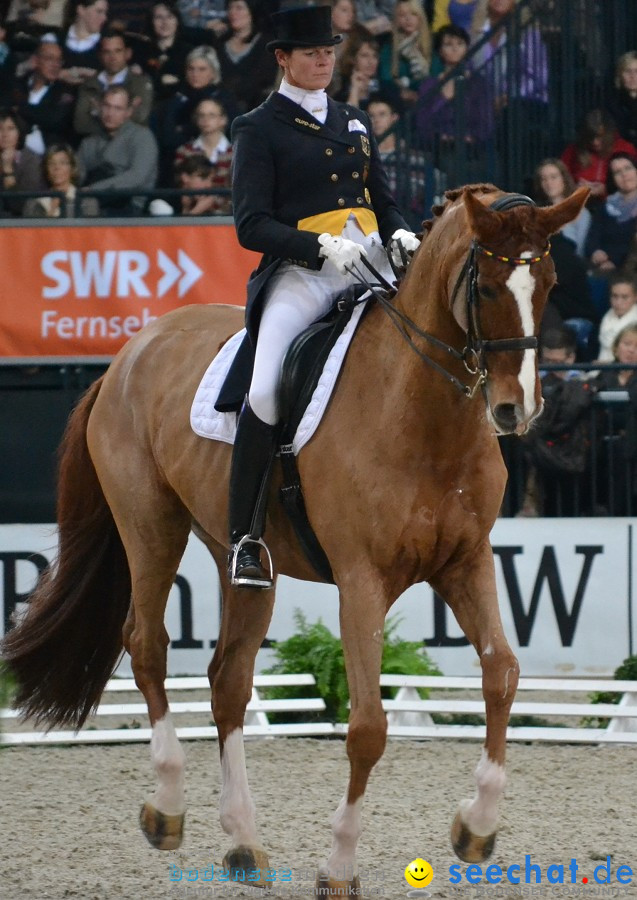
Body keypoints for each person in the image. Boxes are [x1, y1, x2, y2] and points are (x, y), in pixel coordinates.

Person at [216, 5, 419, 587]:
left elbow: (382, 197)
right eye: (311, 53)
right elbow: (250, 225)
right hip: (305, 274)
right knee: (265, 386)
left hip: (373, 264)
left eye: (329, 51)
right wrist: (319, 248)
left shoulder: (354, 119)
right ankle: (246, 539)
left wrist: (400, 228)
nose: (324, 60)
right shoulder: (258, 127)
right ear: (283, 58)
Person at [518, 326, 593, 517]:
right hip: (534, 457)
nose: (551, 369)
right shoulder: (529, 384)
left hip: (570, 457)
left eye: (557, 363)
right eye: (548, 362)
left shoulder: (583, 383)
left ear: (571, 359)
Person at [417, 24, 492, 185]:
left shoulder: (479, 84)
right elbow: (423, 123)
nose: (455, 49)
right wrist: (443, 97)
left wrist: (470, 137)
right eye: (448, 45)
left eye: (459, 44)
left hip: (472, 148)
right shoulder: (429, 85)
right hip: (441, 148)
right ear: (440, 51)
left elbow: (485, 121)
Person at [153, 44, 237, 185]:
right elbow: (168, 139)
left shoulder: (225, 100)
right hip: (181, 165)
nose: (195, 74)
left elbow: (233, 134)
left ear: (213, 73)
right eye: (191, 69)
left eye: (202, 69)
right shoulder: (175, 99)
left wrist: (185, 130)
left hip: (221, 162)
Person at [77, 83, 158, 214]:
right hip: (91, 203)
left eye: (117, 109)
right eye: (106, 106)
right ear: (99, 106)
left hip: (129, 208)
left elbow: (137, 177)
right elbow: (76, 174)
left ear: (128, 112)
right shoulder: (89, 142)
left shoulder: (142, 137)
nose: (110, 113)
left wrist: (94, 189)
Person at [592, 322, 637, 515]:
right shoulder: (604, 374)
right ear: (617, 347)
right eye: (627, 344)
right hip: (602, 447)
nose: (632, 350)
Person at [73, 29, 154, 136]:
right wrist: (120, 116)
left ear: (128, 53)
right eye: (107, 52)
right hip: (93, 146)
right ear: (100, 55)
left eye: (118, 51)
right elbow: (81, 124)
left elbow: (139, 118)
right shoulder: (89, 84)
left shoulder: (140, 82)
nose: (113, 57)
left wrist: (97, 112)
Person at [368, 92, 428, 230]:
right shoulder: (366, 155)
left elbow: (420, 191)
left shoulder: (413, 156)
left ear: (394, 118)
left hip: (408, 218)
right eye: (372, 116)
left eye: (382, 114)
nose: (376, 120)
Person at [10, 37, 76, 149]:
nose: (55, 65)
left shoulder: (65, 90)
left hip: (48, 156)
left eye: (59, 60)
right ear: (35, 60)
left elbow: (54, 119)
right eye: (49, 59)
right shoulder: (18, 84)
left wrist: (20, 108)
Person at [561, 108, 637, 201]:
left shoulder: (625, 148)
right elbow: (560, 182)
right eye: (590, 137)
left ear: (609, 133)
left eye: (601, 137)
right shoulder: (572, 151)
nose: (595, 142)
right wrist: (574, 188)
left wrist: (605, 190)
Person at [217, 0, 277, 115]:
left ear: (251, 12)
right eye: (230, 8)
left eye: (239, 8)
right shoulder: (220, 43)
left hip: (254, 106)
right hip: (221, 105)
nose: (233, 12)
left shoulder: (266, 43)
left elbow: (264, 79)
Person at [585, 151, 637, 274]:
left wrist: (614, 261)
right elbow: (593, 237)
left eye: (627, 168)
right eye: (617, 172)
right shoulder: (606, 206)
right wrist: (595, 251)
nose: (624, 174)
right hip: (602, 266)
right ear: (612, 179)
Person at [174, 97, 231, 207]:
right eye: (201, 115)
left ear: (223, 120)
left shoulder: (237, 153)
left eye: (211, 115)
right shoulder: (184, 151)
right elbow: (181, 187)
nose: (206, 119)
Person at [134, 1, 193, 102]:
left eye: (170, 17)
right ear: (151, 21)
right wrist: (161, 80)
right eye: (159, 17)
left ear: (177, 21)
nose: (165, 22)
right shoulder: (141, 51)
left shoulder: (189, 52)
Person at [532, 158, 591, 257]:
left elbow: (581, 252)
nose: (549, 183)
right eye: (544, 179)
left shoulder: (580, 213)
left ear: (564, 178)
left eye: (553, 177)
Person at [22, 142, 99, 215]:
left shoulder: (86, 201)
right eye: (51, 163)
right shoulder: (33, 203)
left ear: (72, 168)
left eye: (62, 163)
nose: (57, 167)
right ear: (46, 169)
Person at [379, 0, 431, 106]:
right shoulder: (388, 48)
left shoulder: (432, 45)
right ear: (396, 20)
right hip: (397, 103)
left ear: (420, 17)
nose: (408, 19)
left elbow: (434, 76)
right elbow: (385, 78)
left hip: (427, 102)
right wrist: (401, 92)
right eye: (402, 15)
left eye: (413, 14)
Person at [0, 108, 45, 216]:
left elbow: (22, 206)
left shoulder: (31, 160)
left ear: (19, 133)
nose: (5, 134)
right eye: (0, 129)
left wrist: (7, 169)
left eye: (11, 129)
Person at [60, 0, 109, 85]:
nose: (104, 18)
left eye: (105, 12)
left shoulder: (108, 44)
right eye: (99, 11)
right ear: (81, 9)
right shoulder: (55, 40)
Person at [596, 274, 637, 363]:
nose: (618, 302)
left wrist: (607, 365)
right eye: (615, 296)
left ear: (635, 297)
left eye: (624, 297)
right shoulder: (607, 317)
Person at [607, 50, 637, 149]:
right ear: (620, 75)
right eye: (628, 71)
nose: (632, 76)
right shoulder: (612, 104)